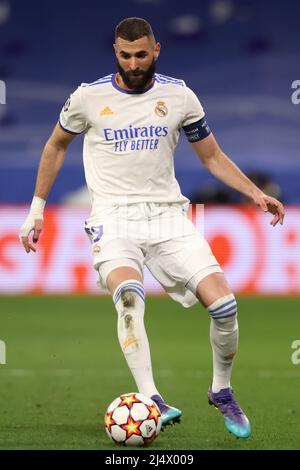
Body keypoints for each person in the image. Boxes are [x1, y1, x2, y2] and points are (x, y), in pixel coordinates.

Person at [19, 17, 284, 438]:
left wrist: (254, 192)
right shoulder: (88, 97)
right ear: (115, 52)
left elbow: (212, 156)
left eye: (141, 54)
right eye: (125, 55)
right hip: (112, 218)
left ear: (156, 50)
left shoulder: (179, 96)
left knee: (225, 306)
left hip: (168, 217)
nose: (134, 62)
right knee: (128, 299)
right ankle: (152, 398)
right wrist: (36, 210)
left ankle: (221, 389)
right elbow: (55, 145)